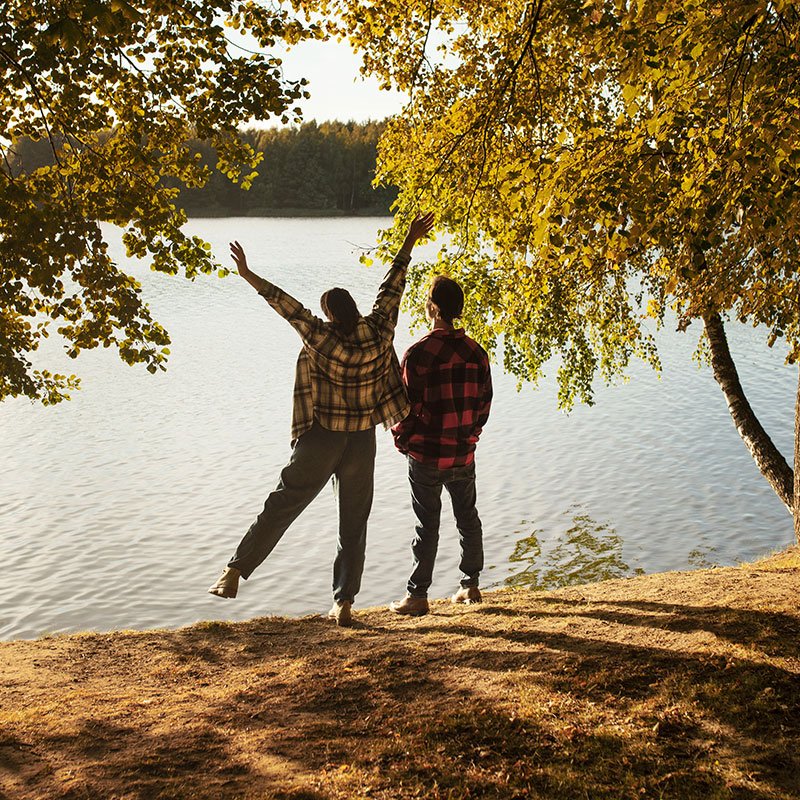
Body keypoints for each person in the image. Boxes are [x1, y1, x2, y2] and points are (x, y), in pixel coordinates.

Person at [208, 212, 435, 627]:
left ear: (329, 314)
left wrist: (247, 274)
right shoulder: (380, 331)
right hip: (362, 440)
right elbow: (392, 285)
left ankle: (235, 571)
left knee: (284, 502)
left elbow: (285, 305)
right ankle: (344, 602)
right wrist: (409, 240)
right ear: (353, 310)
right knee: (354, 520)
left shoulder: (321, 336)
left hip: (323, 438)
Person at [389, 275, 492, 616]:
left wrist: (402, 440)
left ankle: (418, 596)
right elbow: (483, 404)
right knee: (468, 519)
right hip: (463, 452)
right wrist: (470, 435)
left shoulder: (418, 354)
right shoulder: (477, 352)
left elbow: (405, 409)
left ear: (432, 307)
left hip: (427, 454)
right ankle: (470, 585)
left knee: (427, 524)